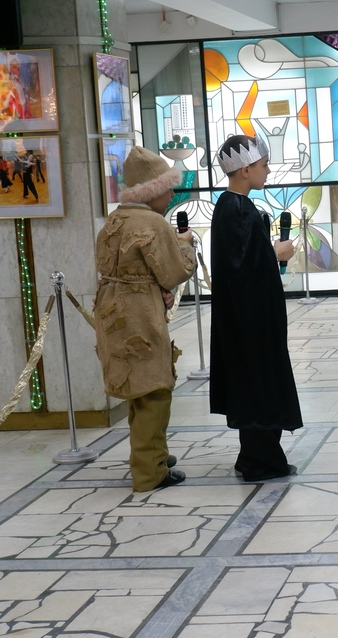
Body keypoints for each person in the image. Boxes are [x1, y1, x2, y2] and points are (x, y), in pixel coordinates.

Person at [94, 146, 196, 491]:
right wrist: (184, 244)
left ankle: (152, 454)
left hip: (112, 310)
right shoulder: (153, 223)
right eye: (168, 188)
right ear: (152, 190)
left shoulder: (115, 218)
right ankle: (150, 471)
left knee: (138, 390)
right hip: (140, 314)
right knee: (155, 388)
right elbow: (175, 272)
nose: (172, 194)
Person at [210, 134, 303, 482]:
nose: (268, 171)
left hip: (246, 318)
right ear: (245, 170)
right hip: (250, 322)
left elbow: (242, 259)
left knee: (253, 383)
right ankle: (259, 461)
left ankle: (252, 455)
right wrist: (276, 253)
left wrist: (266, 251)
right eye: (264, 165)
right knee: (258, 384)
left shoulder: (233, 206)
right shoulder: (237, 210)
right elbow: (242, 268)